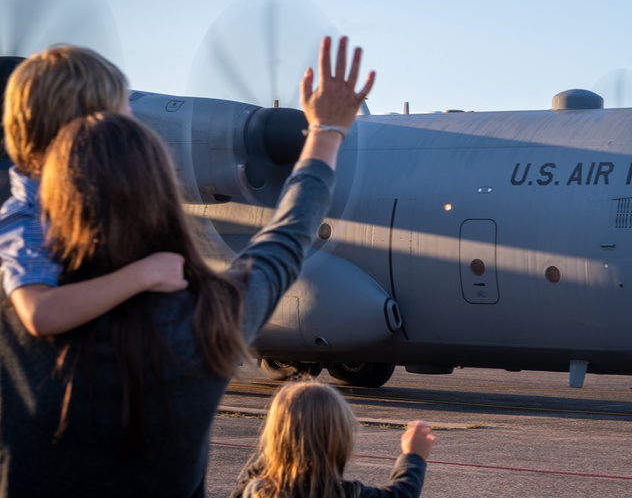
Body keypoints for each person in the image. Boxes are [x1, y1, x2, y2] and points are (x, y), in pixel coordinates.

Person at [0, 35, 375, 497]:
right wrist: (326, 132)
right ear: (163, 191)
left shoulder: (16, 301)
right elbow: (287, 236)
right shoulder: (209, 318)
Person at [0, 45, 188, 337]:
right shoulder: (28, 217)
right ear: (80, 127)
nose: (131, 115)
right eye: (119, 108)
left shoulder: (87, 203)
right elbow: (39, 313)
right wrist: (144, 274)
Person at [233, 380, 435, 498]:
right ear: (341, 440)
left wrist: (283, 442)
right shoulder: (347, 493)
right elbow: (400, 495)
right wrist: (413, 457)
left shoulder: (254, 491)